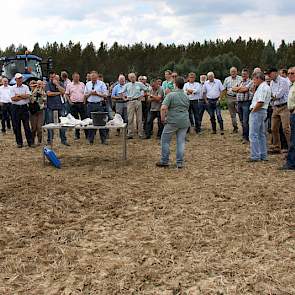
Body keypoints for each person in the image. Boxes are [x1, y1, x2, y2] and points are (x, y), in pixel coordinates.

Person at [156, 76, 190, 169]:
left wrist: (163, 119)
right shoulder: (186, 96)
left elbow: (163, 108)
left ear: (175, 84)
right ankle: (179, 163)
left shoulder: (171, 95)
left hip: (173, 121)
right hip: (184, 121)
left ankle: (164, 160)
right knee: (181, 142)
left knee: (165, 140)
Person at [248, 71, 271, 162]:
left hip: (258, 111)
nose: (253, 81)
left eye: (254, 79)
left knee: (253, 134)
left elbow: (260, 102)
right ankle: (263, 154)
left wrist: (253, 112)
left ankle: (255, 155)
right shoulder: (264, 87)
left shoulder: (262, 88)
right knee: (261, 134)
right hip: (262, 111)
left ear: (258, 78)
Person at [119, 73, 149, 139]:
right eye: (131, 77)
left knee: (139, 118)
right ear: (129, 78)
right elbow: (120, 92)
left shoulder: (139, 84)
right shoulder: (127, 85)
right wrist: (124, 98)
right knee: (130, 118)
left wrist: (142, 95)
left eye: (133, 77)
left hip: (138, 101)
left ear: (135, 77)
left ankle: (140, 134)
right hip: (130, 102)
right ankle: (130, 134)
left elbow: (147, 89)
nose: (133, 78)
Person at [268, 68, 291, 154]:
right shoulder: (271, 82)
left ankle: (291, 148)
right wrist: (272, 97)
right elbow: (272, 94)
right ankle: (277, 147)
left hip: (284, 107)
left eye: (270, 73)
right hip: (276, 107)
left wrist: (272, 96)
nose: (269, 75)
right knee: (273, 128)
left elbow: (278, 95)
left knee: (286, 129)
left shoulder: (284, 81)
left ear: (276, 73)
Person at [84, 71, 109, 145]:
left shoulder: (102, 84)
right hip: (90, 105)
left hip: (99, 105)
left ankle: (103, 140)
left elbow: (105, 95)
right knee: (90, 122)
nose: (93, 79)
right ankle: (90, 139)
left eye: (94, 78)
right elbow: (85, 95)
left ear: (97, 77)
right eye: (92, 78)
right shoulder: (88, 84)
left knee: (101, 122)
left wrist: (97, 94)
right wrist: (90, 93)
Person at [46, 71, 69, 146]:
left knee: (62, 123)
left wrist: (57, 84)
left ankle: (63, 140)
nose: (53, 79)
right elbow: (48, 93)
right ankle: (50, 140)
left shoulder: (60, 83)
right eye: (52, 78)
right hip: (50, 106)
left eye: (54, 78)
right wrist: (58, 93)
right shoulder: (48, 84)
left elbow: (64, 91)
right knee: (50, 124)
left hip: (60, 106)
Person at [10, 73, 33, 148]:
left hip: (24, 108)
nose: (20, 80)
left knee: (26, 126)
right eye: (18, 78)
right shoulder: (12, 88)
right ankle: (19, 143)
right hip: (15, 108)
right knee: (17, 126)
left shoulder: (26, 87)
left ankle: (30, 142)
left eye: (21, 78)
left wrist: (18, 95)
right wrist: (23, 96)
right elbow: (13, 99)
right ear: (16, 80)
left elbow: (28, 96)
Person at [280, 67, 295, 170]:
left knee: (293, 140)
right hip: (292, 113)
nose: (290, 75)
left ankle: (291, 163)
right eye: (289, 73)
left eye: (292, 73)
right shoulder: (292, 85)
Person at [65, 72, 87, 140]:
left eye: (78, 77)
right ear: (73, 77)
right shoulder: (69, 85)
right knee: (75, 120)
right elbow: (66, 94)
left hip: (81, 104)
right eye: (75, 77)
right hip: (73, 104)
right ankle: (77, 135)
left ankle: (87, 134)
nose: (77, 78)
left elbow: (85, 93)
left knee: (84, 119)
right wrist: (69, 102)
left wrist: (84, 101)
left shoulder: (82, 84)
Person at [233, 69, 253, 143]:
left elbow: (245, 89)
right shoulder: (240, 81)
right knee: (241, 121)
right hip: (239, 103)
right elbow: (233, 89)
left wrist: (238, 89)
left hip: (246, 103)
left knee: (245, 121)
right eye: (242, 74)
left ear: (248, 74)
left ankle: (246, 138)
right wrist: (239, 89)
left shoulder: (251, 82)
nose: (243, 75)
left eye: (245, 74)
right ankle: (244, 136)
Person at [223, 67, 242, 133]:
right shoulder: (227, 79)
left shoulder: (240, 78)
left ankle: (244, 127)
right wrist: (226, 97)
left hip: (238, 97)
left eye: (234, 71)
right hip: (230, 97)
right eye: (232, 71)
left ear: (237, 72)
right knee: (232, 114)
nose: (233, 73)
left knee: (240, 112)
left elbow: (242, 87)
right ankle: (235, 127)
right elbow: (224, 89)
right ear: (230, 72)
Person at [30, 80, 47, 145]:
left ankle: (39, 141)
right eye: (38, 84)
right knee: (33, 128)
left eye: (40, 84)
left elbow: (45, 100)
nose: (39, 85)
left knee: (39, 127)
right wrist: (35, 93)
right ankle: (32, 141)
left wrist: (41, 94)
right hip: (33, 112)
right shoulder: (32, 91)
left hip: (40, 111)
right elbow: (31, 100)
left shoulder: (43, 92)